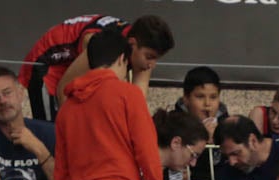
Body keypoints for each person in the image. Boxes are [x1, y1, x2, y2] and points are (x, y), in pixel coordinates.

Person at [54, 27, 167, 180]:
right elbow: (148, 154)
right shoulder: (128, 94)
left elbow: (62, 173)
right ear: (121, 59)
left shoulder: (67, 109)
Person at [19, 14, 173, 119]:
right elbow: (64, 90)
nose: (152, 65)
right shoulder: (103, 45)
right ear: (132, 44)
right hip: (49, 62)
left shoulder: (142, 48)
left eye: (156, 59)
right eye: (150, 57)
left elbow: (137, 103)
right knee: (53, 134)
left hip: (77, 60)